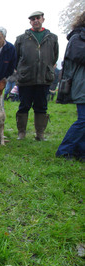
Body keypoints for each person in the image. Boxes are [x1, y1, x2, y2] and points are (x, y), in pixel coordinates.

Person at [14, 11, 59, 141]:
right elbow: (16, 58)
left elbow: (54, 57)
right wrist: (23, 71)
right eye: (33, 19)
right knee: (24, 105)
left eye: (37, 18)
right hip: (26, 79)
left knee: (41, 106)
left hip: (43, 79)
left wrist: (47, 68)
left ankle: (40, 134)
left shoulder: (52, 38)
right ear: (30, 22)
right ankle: (21, 133)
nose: (35, 20)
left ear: (43, 19)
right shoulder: (21, 38)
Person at [55, 12, 85, 161]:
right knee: (83, 120)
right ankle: (64, 150)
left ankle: (80, 152)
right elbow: (80, 56)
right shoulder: (77, 37)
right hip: (81, 84)